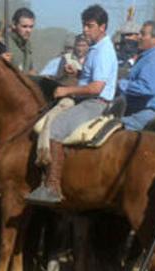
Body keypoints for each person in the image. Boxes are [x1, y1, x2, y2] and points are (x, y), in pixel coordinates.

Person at [27, 5, 117, 206]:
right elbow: (91, 80)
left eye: (90, 26)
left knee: (55, 129)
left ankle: (52, 186)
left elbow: (96, 87)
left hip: (94, 103)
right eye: (84, 25)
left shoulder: (103, 51)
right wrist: (77, 74)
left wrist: (67, 90)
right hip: (87, 99)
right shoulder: (97, 48)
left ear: (103, 27)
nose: (85, 30)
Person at [117, 20, 155, 131]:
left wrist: (120, 84)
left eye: (143, 34)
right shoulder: (150, 56)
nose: (139, 37)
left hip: (143, 117)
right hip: (139, 113)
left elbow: (147, 88)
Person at [10, 7, 35, 73]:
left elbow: (30, 71)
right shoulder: (3, 44)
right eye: (24, 26)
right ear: (14, 25)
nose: (28, 30)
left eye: (31, 27)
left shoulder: (27, 46)